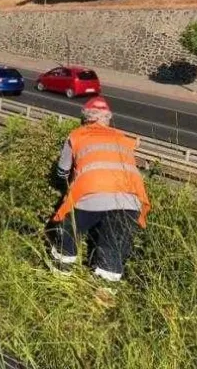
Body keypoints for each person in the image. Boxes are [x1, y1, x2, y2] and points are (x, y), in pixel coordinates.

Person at [48, 96, 150, 282]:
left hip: (90, 193)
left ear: (85, 119)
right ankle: (102, 301)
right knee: (113, 250)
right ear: (108, 119)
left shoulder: (76, 135)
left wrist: (64, 187)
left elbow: (62, 172)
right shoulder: (123, 138)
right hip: (131, 200)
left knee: (68, 231)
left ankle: (61, 280)